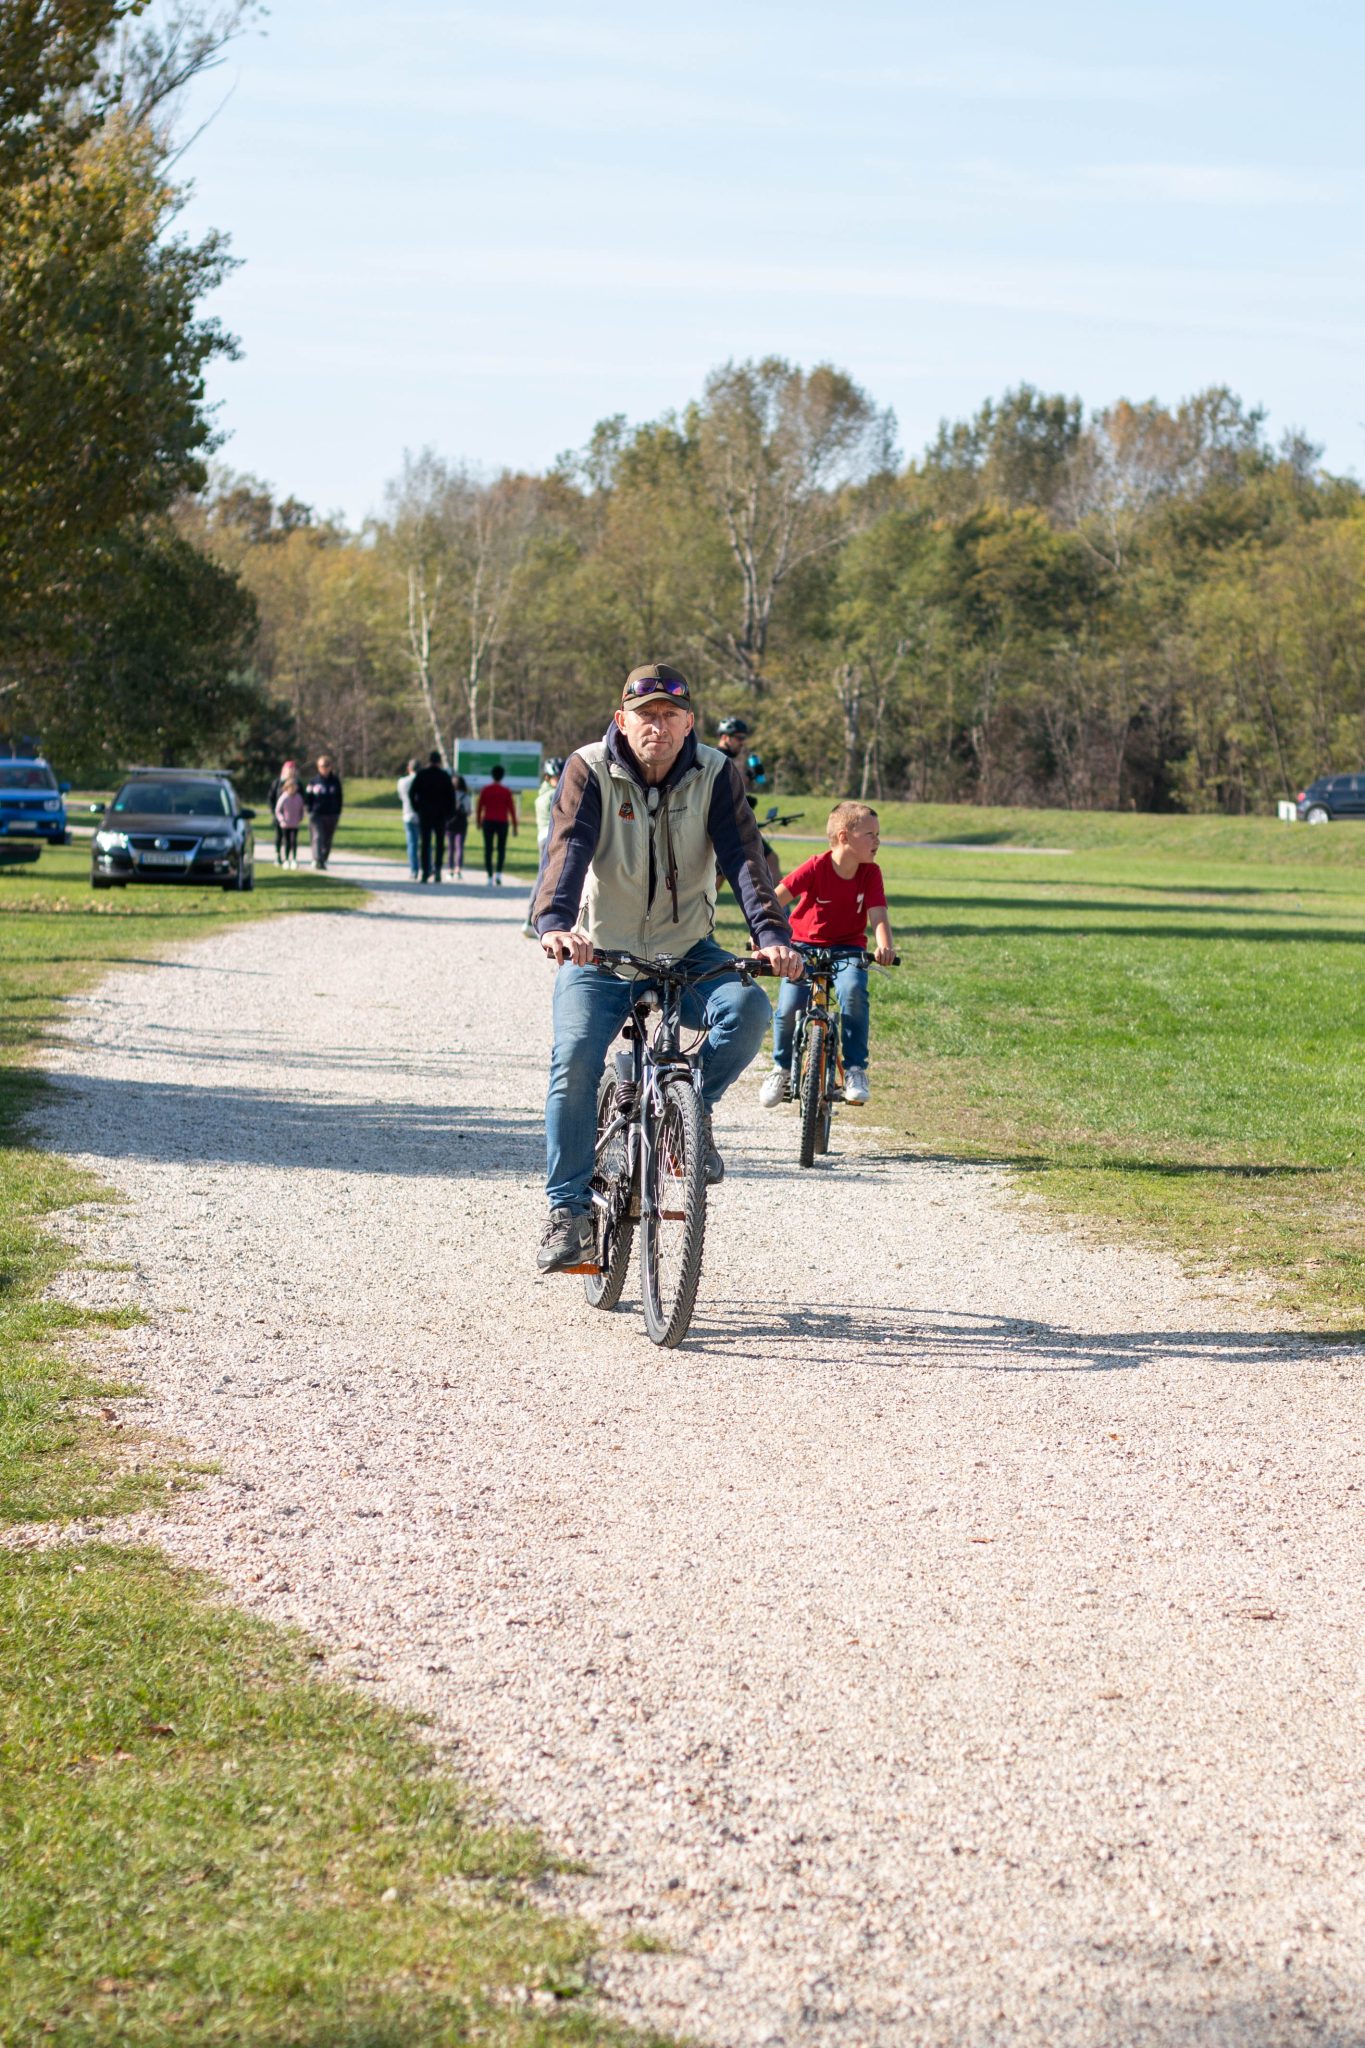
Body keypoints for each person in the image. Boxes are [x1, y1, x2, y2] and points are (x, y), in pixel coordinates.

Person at [532, 662, 803, 1274]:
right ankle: (567, 1211)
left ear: (688, 723)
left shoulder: (716, 772)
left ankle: (687, 1115)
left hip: (687, 949)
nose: (657, 726)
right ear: (622, 720)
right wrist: (555, 924)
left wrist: (771, 937)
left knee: (748, 1008)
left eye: (670, 715)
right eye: (645, 715)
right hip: (601, 951)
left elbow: (744, 858)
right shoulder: (588, 768)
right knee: (574, 1060)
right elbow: (569, 846)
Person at [758, 800, 895, 1110]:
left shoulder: (871, 873)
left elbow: (878, 914)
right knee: (789, 1006)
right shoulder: (816, 866)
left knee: (854, 991)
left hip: (848, 948)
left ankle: (855, 1070)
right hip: (803, 946)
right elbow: (776, 898)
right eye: (870, 834)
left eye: (878, 834)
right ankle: (781, 1068)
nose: (877, 841)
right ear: (844, 837)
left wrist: (884, 945)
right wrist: (762, 935)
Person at [521, 756, 565, 938]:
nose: (560, 780)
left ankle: (531, 920)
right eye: (556, 777)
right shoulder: (553, 795)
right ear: (548, 777)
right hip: (550, 837)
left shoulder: (542, 794)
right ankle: (532, 920)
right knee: (545, 879)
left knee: (544, 878)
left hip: (544, 837)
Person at [408, 750, 456, 883]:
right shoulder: (444, 776)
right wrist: (450, 813)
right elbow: (451, 796)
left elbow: (412, 793)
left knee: (425, 843)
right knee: (440, 843)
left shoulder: (422, 774)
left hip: (425, 813)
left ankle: (425, 872)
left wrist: (417, 807)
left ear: (429, 761)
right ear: (439, 761)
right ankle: (438, 870)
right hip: (440, 814)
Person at [476, 764, 518, 885]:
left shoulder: (485, 790)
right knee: (501, 849)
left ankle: (489, 876)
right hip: (502, 822)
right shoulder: (506, 791)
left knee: (488, 849)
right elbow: (512, 810)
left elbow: (479, 807)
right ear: (502, 776)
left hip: (488, 821)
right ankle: (498, 874)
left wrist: (478, 821)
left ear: (492, 775)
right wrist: (515, 826)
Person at [303, 755, 343, 870]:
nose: (324, 768)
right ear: (318, 767)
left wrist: (337, 812)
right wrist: (309, 811)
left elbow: (339, 798)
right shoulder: (313, 782)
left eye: (326, 766)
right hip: (316, 814)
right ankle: (317, 859)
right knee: (318, 836)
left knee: (327, 839)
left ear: (330, 767)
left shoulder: (335, 781)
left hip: (331, 814)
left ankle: (323, 858)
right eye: (322, 766)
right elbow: (308, 798)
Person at [267, 758, 298, 867]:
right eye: (289, 769)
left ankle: (290, 857)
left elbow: (301, 799)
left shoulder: (296, 783)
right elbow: (271, 798)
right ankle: (278, 855)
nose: (291, 771)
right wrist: (274, 811)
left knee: (291, 838)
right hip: (279, 815)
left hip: (292, 817)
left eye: (293, 769)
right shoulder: (277, 783)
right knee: (279, 836)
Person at [274, 774, 306, 869]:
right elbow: (278, 810)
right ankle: (286, 859)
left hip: (295, 824)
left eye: (294, 787)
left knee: (294, 842)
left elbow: (301, 809)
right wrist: (282, 820)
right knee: (287, 842)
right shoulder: (284, 797)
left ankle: (294, 859)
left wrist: (300, 818)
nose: (292, 789)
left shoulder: (299, 797)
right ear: (286, 788)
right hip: (286, 824)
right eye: (291, 787)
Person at [397, 757, 420, 879]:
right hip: (421, 815)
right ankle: (428, 867)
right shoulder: (423, 781)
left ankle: (414, 870)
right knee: (425, 844)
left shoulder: (402, 782)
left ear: (409, 768)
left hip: (408, 814)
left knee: (412, 844)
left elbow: (401, 797)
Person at [447, 774, 470, 880]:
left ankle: (450, 870)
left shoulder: (448, 795)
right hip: (461, 824)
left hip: (450, 824)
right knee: (459, 847)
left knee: (450, 848)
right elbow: (468, 811)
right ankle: (458, 869)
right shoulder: (466, 797)